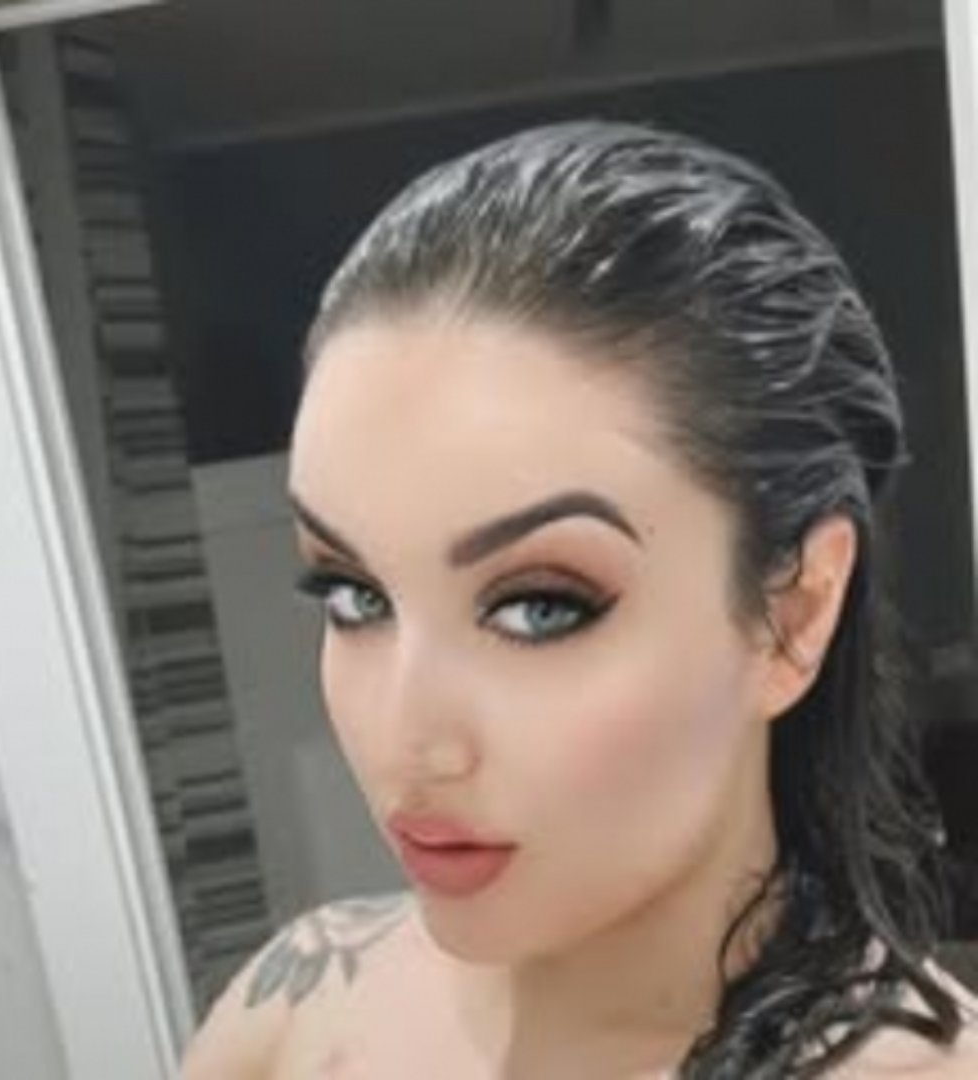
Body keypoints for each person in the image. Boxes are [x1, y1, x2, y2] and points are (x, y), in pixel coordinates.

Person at [182, 121, 978, 1078]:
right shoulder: (299, 1006)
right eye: (354, 595)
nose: (407, 741)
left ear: (794, 612)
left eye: (538, 609)